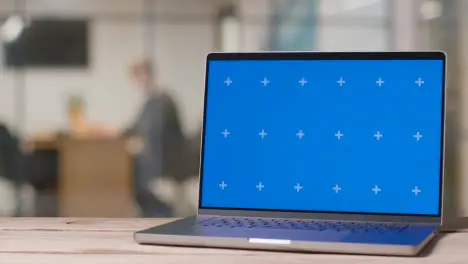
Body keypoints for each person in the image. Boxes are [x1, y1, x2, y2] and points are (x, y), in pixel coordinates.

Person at [126, 58, 185, 217]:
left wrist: (137, 141)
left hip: (164, 160)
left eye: (137, 75)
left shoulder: (163, 101)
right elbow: (135, 128)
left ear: (147, 74)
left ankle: (160, 214)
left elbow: (153, 133)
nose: (136, 81)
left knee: (133, 175)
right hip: (153, 157)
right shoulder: (150, 101)